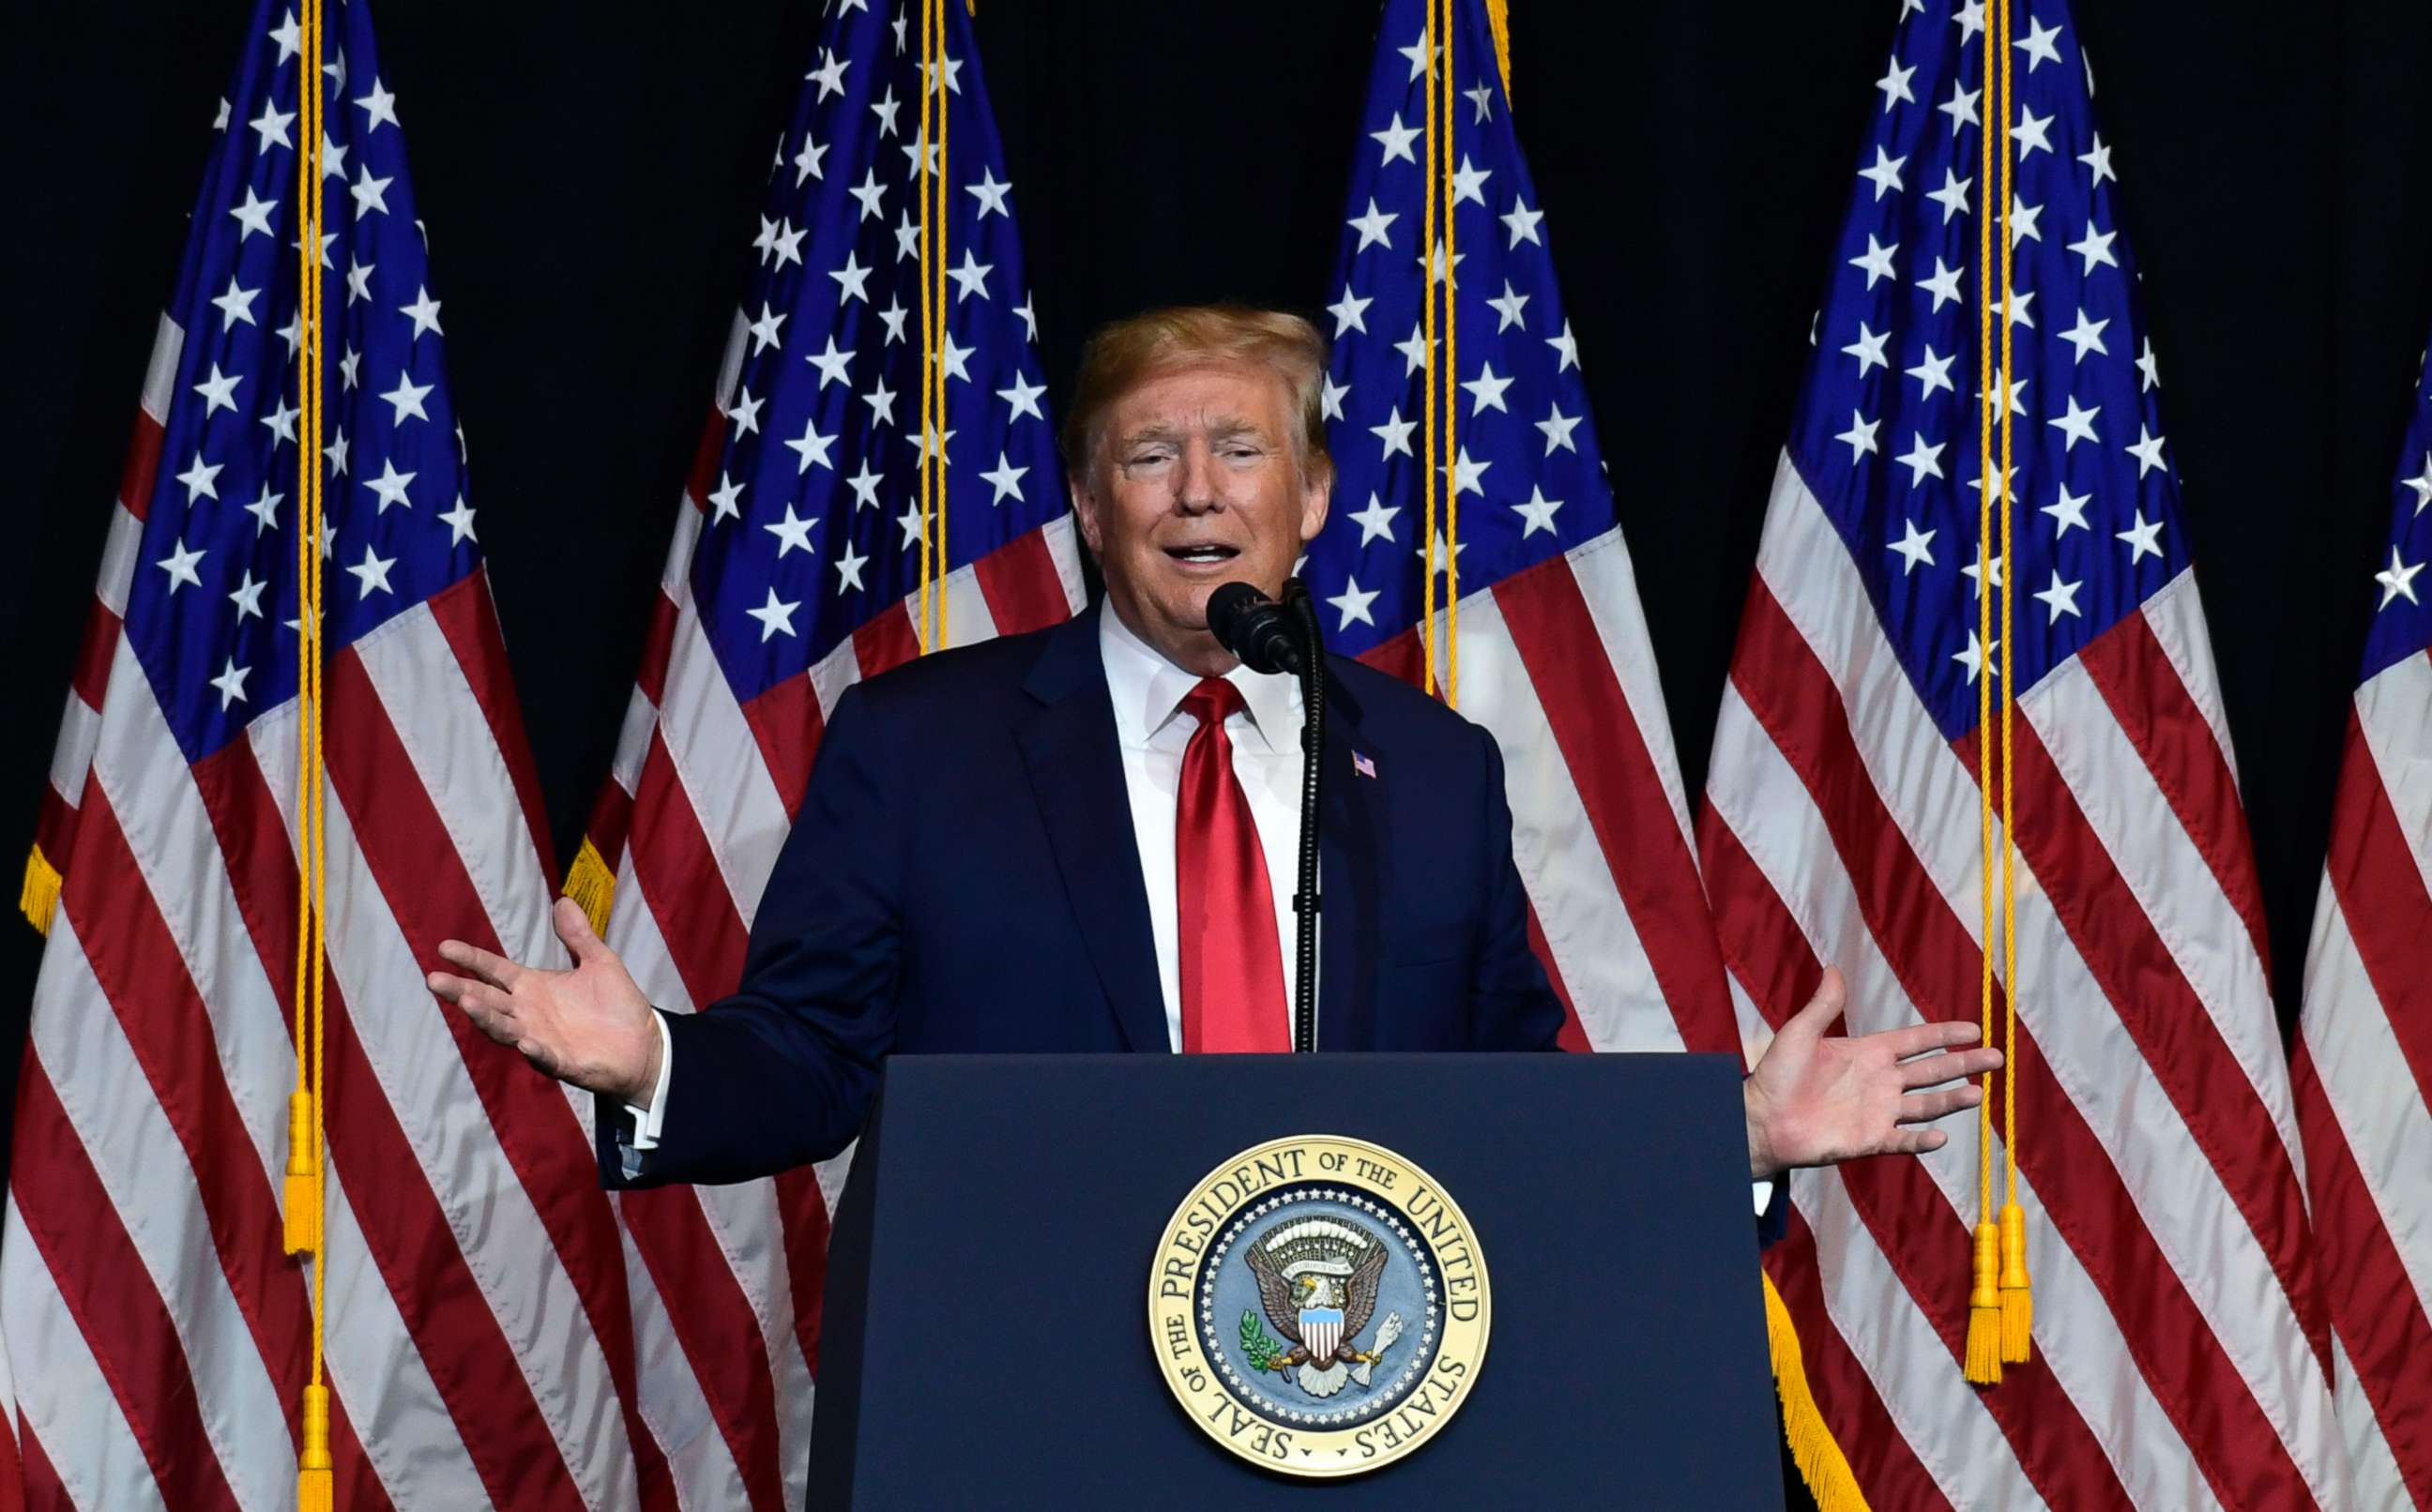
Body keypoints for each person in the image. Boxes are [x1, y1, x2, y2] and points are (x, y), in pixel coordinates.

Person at [427, 304, 1997, 1200]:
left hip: (1363, 1393)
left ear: (1309, 496)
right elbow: (814, 1059)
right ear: (1093, 507)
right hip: (1030, 1404)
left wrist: (1727, 1141)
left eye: (1240, 448)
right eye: (1148, 457)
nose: (1196, 491)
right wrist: (658, 1062)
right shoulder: (924, 743)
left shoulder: (1434, 769)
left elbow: (1506, 1112)